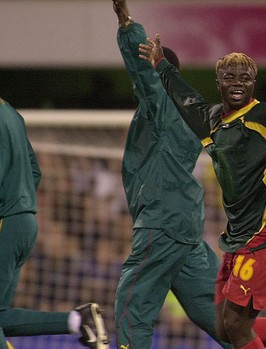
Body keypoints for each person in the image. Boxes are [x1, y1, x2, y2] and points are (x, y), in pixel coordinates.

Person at [138, 30, 266, 349]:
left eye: (245, 77)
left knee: (237, 326)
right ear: (218, 81)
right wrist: (162, 65)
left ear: (254, 82)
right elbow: (184, 97)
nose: (237, 82)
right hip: (239, 237)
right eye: (229, 76)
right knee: (225, 327)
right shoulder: (210, 121)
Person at [111, 1, 232, 348]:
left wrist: (126, 24)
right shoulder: (190, 112)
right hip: (185, 231)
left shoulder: (162, 105)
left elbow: (146, 75)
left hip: (162, 224)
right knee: (220, 317)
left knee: (132, 308)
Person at [0, 97, 110, 349]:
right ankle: (77, 320)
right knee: (1, 315)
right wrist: (22, 202)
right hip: (24, 221)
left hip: (5, 220)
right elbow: (35, 171)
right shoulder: (12, 114)